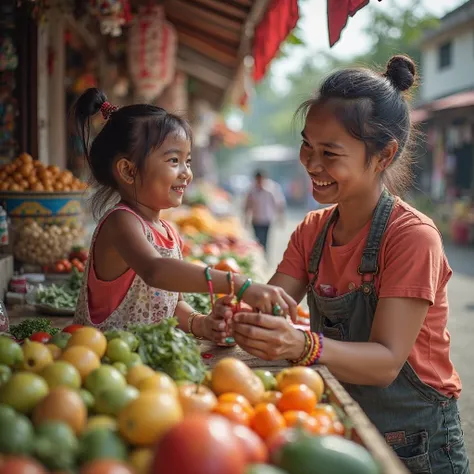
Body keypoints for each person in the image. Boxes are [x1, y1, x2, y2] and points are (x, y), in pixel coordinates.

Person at [216, 56, 470, 472]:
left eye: (330, 153)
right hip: (342, 424)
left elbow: (387, 363)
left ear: (384, 155)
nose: (311, 164)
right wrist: (239, 316)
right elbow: (274, 302)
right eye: (307, 146)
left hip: (419, 443)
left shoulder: (412, 238)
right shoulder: (312, 231)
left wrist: (302, 345)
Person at [69, 88, 297, 337]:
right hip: (103, 362)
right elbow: (156, 271)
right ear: (128, 171)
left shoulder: (167, 231)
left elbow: (170, 304)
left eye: (187, 161)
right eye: (173, 161)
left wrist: (202, 324)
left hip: (145, 365)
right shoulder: (120, 221)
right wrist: (238, 284)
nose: (186, 173)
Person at [244, 170, 286, 252]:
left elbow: (279, 203)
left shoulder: (271, 189)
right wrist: (245, 219)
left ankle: (264, 256)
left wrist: (281, 218)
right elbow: (247, 206)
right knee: (257, 241)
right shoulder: (252, 190)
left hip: (266, 220)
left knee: (265, 241)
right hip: (256, 220)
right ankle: (259, 255)